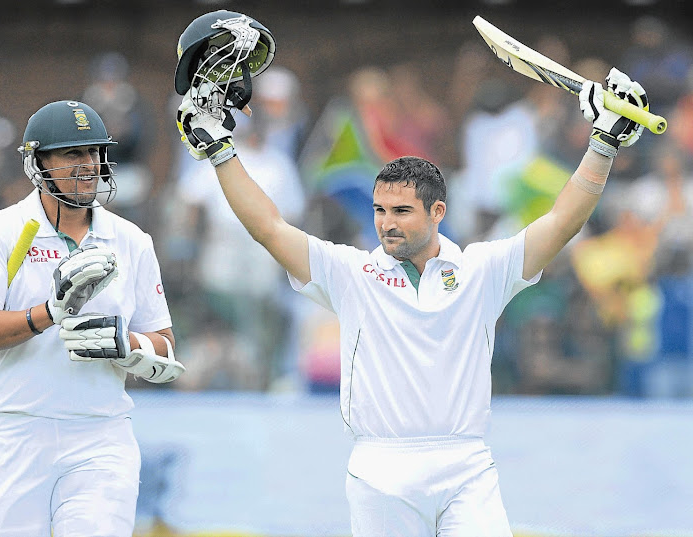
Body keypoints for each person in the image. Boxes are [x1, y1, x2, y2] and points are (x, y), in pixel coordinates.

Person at [175, 11, 649, 535]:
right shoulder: (350, 272)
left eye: (401, 212)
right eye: (380, 211)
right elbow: (268, 227)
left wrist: (603, 143)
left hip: (468, 466)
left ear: (437, 212)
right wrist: (218, 150)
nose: (386, 224)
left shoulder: (482, 270)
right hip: (381, 470)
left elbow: (561, 223)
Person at [0, 99, 185, 536]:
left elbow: (167, 345)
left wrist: (127, 345)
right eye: (73, 153)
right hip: (12, 432)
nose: (90, 165)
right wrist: (48, 313)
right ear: (37, 162)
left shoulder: (131, 240)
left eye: (96, 152)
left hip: (101, 435)